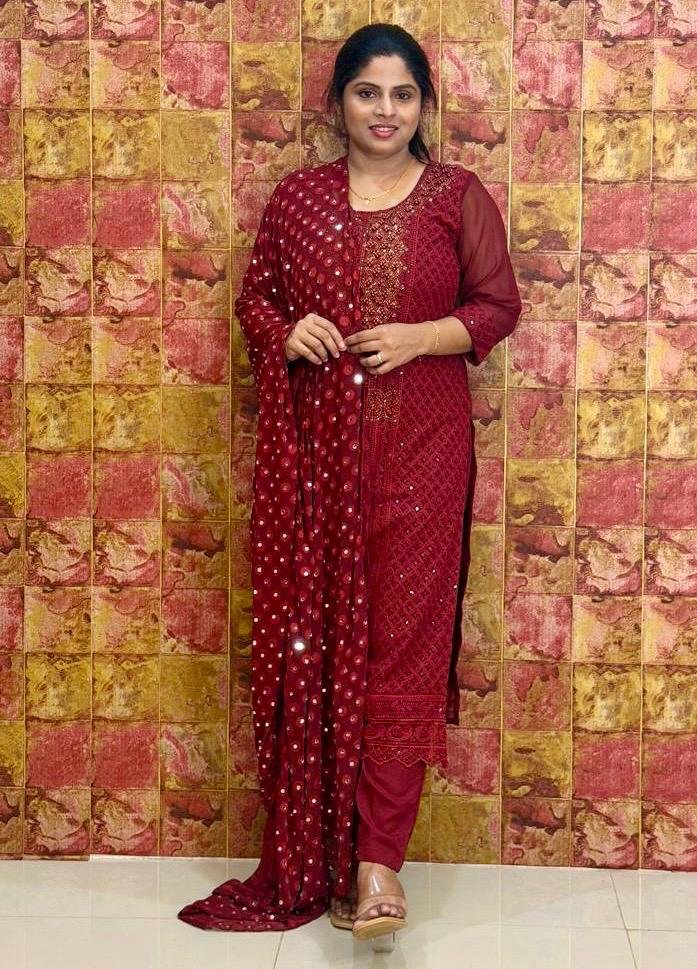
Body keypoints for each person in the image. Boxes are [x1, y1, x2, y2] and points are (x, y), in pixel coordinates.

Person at [177, 22, 522, 943]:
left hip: (422, 457)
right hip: (315, 467)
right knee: (317, 639)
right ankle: (320, 853)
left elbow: (497, 306)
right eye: (368, 92)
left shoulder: (456, 196)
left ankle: (377, 868)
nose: (385, 110)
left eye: (403, 94)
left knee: (402, 651)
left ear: (424, 106)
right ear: (338, 102)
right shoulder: (298, 199)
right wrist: (284, 332)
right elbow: (255, 298)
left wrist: (419, 337)